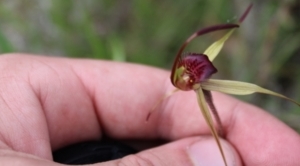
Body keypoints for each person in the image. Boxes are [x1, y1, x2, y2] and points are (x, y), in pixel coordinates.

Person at [0, 54, 299, 166]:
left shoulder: (190, 84)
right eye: (185, 72)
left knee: (259, 91)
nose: (186, 75)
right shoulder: (176, 90)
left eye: (189, 74)